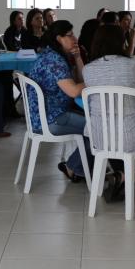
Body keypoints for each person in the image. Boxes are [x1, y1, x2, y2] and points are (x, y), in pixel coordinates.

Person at [83, 24, 135, 201]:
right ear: (122, 42)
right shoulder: (132, 66)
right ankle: (124, 173)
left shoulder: (88, 69)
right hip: (130, 137)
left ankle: (120, 174)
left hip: (99, 137)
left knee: (115, 144)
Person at [26, 20, 92, 182]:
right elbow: (74, 91)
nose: (75, 39)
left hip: (48, 114)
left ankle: (78, 167)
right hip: (51, 118)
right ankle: (75, 166)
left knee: (96, 124)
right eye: (70, 35)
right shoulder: (54, 61)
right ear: (58, 38)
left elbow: (79, 80)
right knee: (99, 127)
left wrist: (77, 57)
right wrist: (96, 80)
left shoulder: (53, 55)